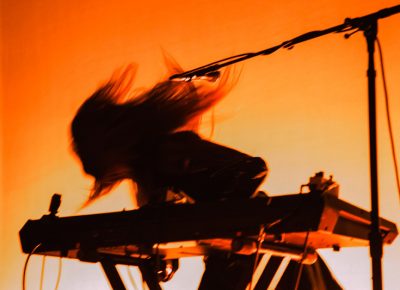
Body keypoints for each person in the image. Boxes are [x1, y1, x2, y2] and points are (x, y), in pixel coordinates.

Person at [71, 62, 341, 290]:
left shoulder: (169, 150)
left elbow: (252, 168)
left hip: (258, 251)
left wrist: (217, 219)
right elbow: (174, 221)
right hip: (237, 256)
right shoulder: (147, 174)